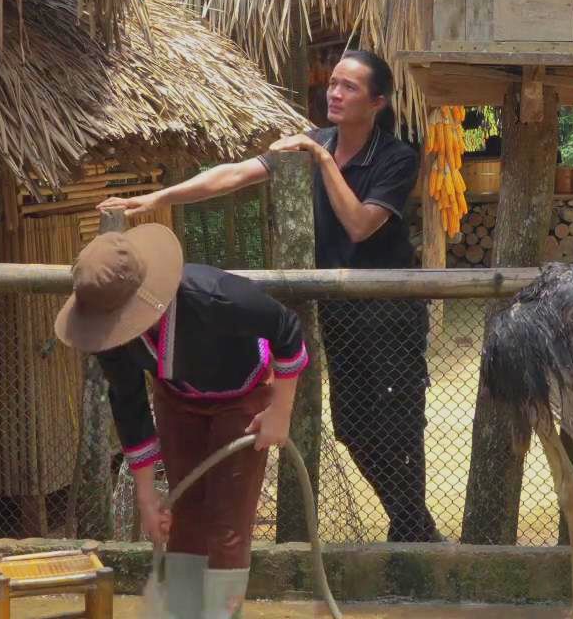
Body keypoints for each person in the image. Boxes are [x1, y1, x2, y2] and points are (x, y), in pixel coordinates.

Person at [103, 48, 441, 542]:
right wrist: (158, 198)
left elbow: (360, 225)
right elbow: (235, 173)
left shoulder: (394, 157)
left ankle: (412, 528)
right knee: (352, 426)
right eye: (334, 83)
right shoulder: (312, 141)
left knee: (398, 424)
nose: (335, 91)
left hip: (390, 313)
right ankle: (412, 523)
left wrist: (323, 158)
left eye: (349, 86)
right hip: (341, 312)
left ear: (377, 102)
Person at [54, 222, 308, 618]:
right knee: (185, 513)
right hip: (176, 398)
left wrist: (280, 410)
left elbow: (288, 329)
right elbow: (129, 402)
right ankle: (184, 612)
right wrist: (145, 494)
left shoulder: (213, 296)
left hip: (242, 396)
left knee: (228, 522)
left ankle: (222, 614)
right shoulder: (110, 336)